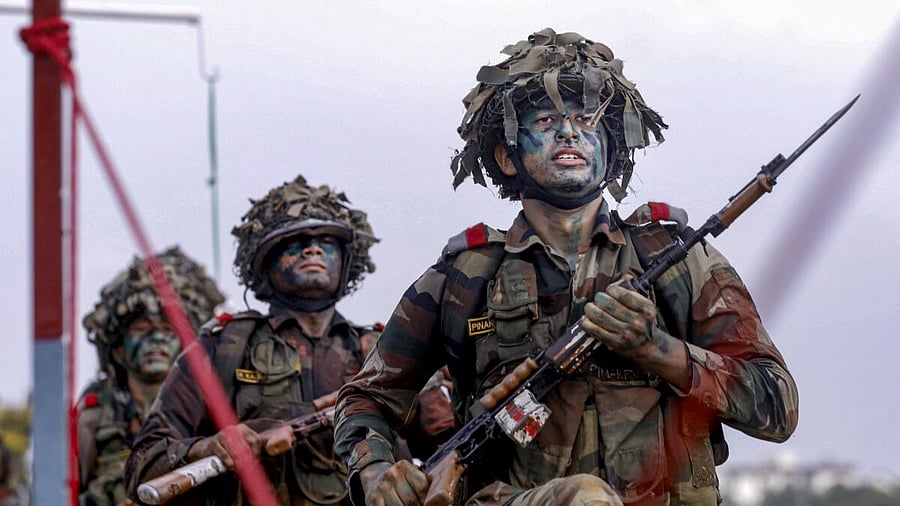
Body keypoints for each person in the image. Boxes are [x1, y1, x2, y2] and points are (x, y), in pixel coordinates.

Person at [333, 28, 799, 506]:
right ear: (505, 155)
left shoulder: (677, 262)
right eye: (547, 119)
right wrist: (374, 472)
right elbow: (366, 398)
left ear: (611, 150)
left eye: (586, 119)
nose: (569, 131)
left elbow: (777, 406)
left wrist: (657, 349)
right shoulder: (465, 277)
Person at [124, 175, 396, 505]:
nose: (312, 249)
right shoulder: (224, 348)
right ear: (266, 261)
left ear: (346, 260)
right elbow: (143, 464)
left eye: (326, 241)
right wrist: (209, 447)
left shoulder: (383, 351)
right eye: (294, 244)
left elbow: (447, 439)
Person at [77, 246, 226, 506]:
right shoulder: (94, 413)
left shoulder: (209, 407)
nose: (156, 339)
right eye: (142, 329)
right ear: (119, 347)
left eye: (167, 331)